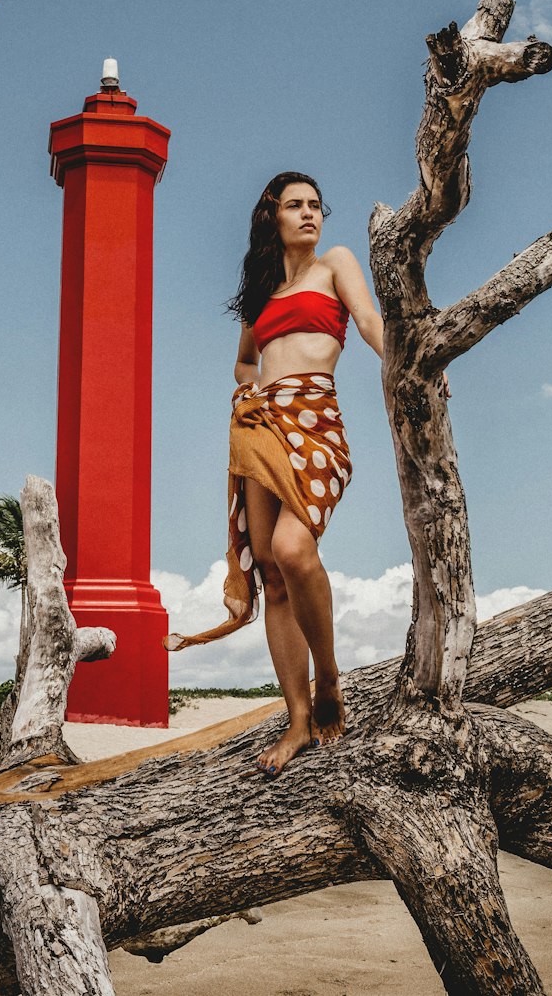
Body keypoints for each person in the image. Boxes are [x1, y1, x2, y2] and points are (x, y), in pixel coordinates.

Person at [164, 172, 384, 776]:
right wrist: (250, 393)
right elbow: (243, 361)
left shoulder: (335, 263)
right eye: (296, 206)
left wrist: (409, 360)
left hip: (316, 420)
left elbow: (366, 319)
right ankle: (297, 721)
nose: (310, 214)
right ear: (274, 218)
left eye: (316, 205)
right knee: (269, 568)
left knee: (293, 548)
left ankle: (329, 678)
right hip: (262, 428)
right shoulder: (262, 291)